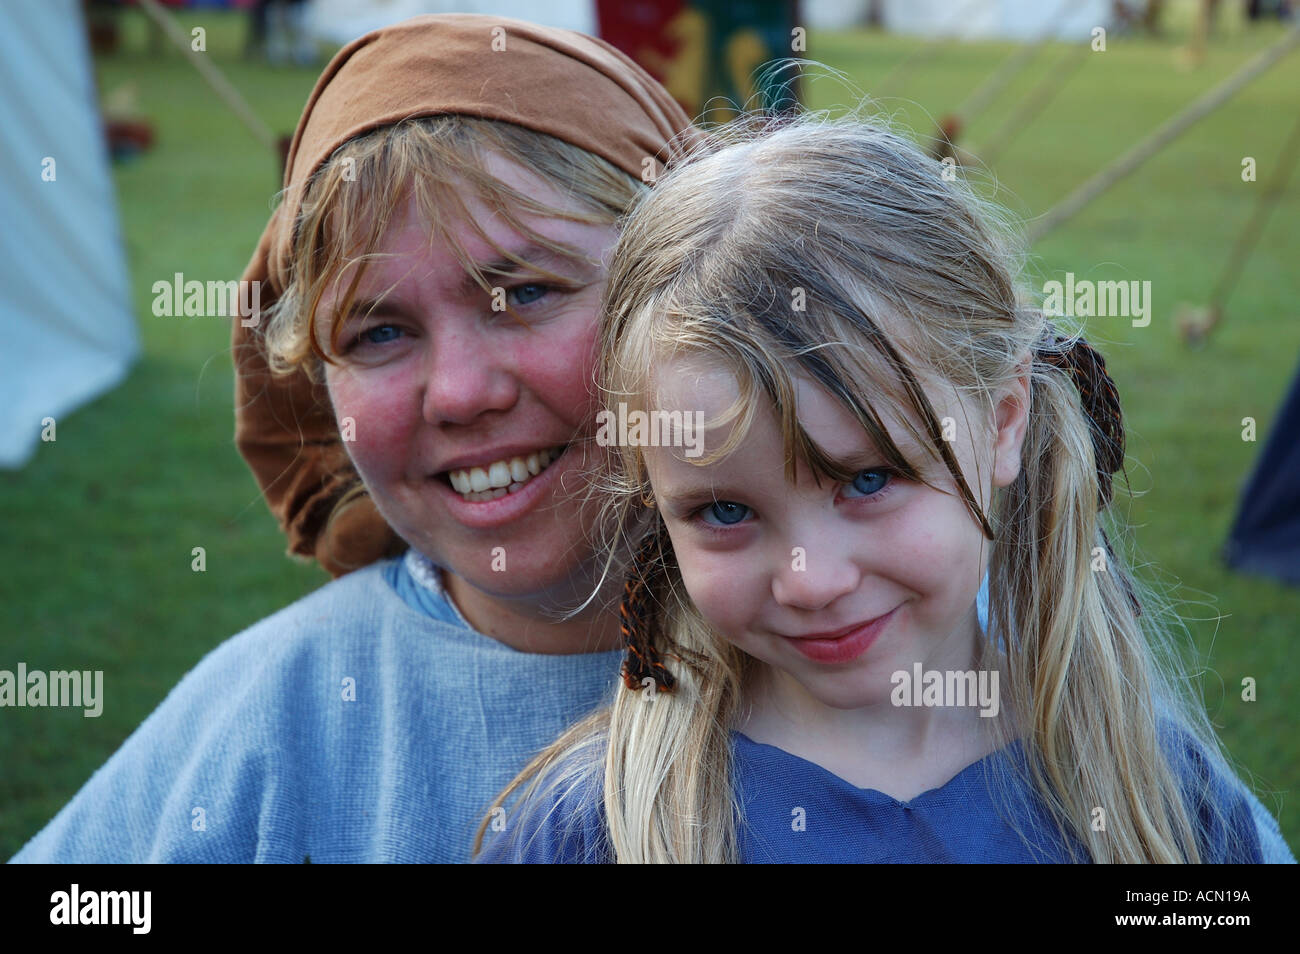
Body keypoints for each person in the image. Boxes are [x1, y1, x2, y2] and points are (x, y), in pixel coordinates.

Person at [474, 113, 1290, 863]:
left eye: (868, 480)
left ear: (1003, 418)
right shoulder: (600, 829)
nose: (813, 581)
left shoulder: (1146, 794)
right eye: (724, 510)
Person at [10, 14, 694, 863]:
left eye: (521, 292)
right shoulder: (270, 718)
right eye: (377, 333)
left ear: (687, 289)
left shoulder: (851, 641)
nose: (459, 393)